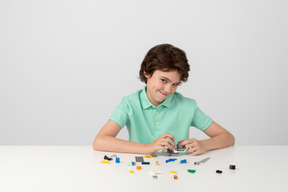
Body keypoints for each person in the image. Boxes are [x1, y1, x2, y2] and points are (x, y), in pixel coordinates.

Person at [93, 44, 235, 156]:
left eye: (175, 84)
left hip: (180, 173)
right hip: (139, 173)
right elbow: (100, 141)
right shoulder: (130, 104)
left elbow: (228, 137)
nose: (168, 90)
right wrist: (148, 148)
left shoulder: (187, 106)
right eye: (163, 80)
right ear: (146, 72)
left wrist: (204, 145)